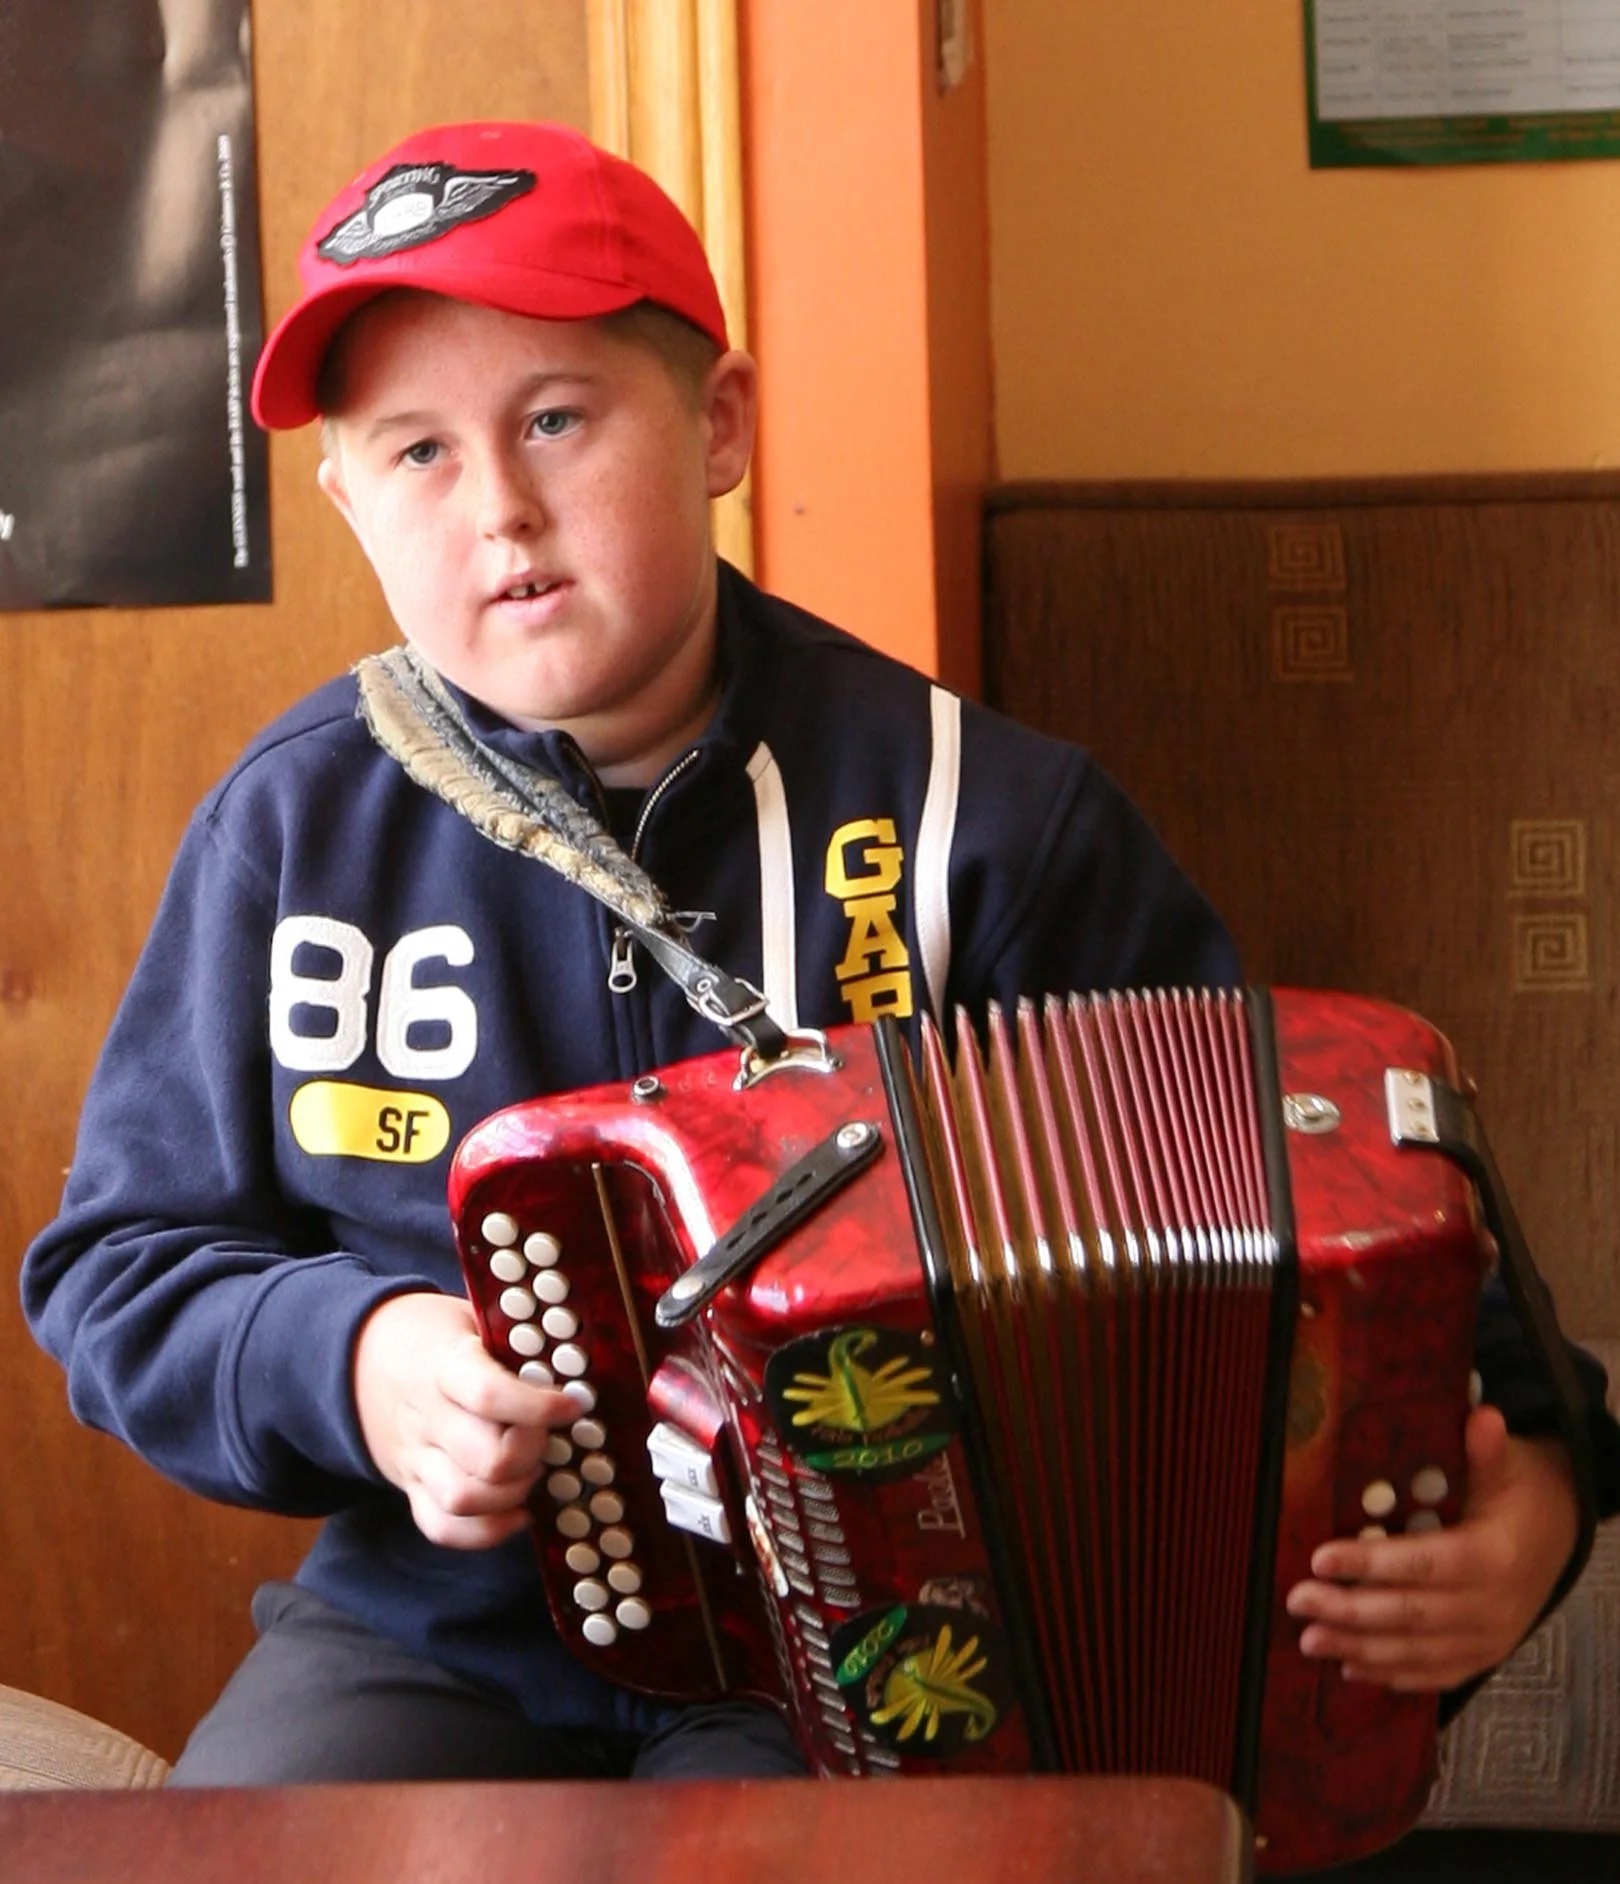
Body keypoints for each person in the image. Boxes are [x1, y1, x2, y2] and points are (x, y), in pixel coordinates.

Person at [20, 121, 1616, 1784]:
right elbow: (118, 1270)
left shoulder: (991, 820)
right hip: (435, 1631)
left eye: (557, 420)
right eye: (417, 455)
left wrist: (1545, 1501)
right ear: (346, 498)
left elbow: (1343, 1208)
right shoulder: (290, 834)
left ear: (718, 425)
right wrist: (349, 1361)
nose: (498, 509)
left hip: (874, 1657)